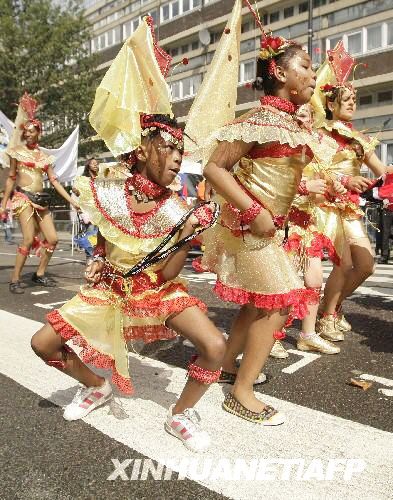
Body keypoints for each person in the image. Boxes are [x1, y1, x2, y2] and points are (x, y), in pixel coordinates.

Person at [30, 19, 225, 453]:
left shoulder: (177, 209)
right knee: (42, 343)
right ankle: (95, 387)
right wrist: (98, 257)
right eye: (170, 149)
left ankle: (181, 414)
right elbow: (103, 239)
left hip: (155, 290)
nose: (178, 160)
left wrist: (188, 234)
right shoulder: (107, 191)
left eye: (181, 152)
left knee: (215, 345)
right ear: (143, 150)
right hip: (109, 289)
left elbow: (167, 272)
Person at [187, 2, 335, 423]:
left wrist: (308, 188)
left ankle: (225, 366)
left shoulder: (293, 126)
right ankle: (242, 391)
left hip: (274, 229)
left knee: (255, 306)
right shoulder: (255, 121)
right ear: (279, 74)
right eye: (305, 67)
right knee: (276, 304)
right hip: (251, 229)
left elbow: (277, 175)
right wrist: (253, 210)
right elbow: (215, 168)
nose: (312, 75)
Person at [309, 43, 392, 339]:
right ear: (331, 104)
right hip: (325, 207)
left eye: (355, 99)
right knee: (342, 265)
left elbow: (384, 172)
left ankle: (332, 306)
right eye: (346, 99)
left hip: (350, 208)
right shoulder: (319, 135)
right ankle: (326, 317)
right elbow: (314, 173)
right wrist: (341, 183)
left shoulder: (358, 139)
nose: (352, 103)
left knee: (366, 265)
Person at [0, 93, 80, 293]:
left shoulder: (44, 157)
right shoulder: (16, 153)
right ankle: (15, 279)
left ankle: (40, 274)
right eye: (25, 131)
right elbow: (11, 178)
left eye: (31, 131)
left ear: (38, 133)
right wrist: (3, 204)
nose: (27, 134)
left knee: (52, 239)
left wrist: (72, 201)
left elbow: (54, 181)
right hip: (23, 199)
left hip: (42, 200)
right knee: (27, 240)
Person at [283, 103, 347, 355]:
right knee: (283, 283)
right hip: (282, 224)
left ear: (312, 118)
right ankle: (273, 336)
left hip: (308, 222)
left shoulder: (318, 149)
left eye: (306, 114)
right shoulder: (280, 145)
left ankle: (307, 334)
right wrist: (302, 186)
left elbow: (326, 182)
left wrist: (334, 188)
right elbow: (272, 181)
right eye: (296, 114)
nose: (301, 119)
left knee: (314, 279)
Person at [72, 158, 99, 262]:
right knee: (91, 233)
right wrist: (77, 191)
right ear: (88, 166)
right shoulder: (83, 179)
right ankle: (90, 257)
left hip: (101, 212)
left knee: (99, 235)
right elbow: (76, 192)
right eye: (93, 164)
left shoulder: (100, 178)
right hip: (88, 211)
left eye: (97, 163)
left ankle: (98, 258)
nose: (95, 165)